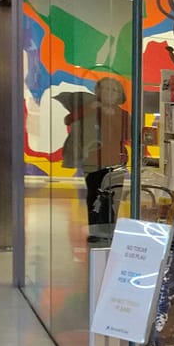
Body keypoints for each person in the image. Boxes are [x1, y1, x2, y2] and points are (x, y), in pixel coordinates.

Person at [60, 77, 130, 242]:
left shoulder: (123, 115)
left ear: (119, 94)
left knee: (113, 197)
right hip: (92, 161)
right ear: (98, 91)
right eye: (104, 88)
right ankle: (96, 231)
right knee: (94, 197)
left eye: (113, 90)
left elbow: (128, 135)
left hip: (116, 160)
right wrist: (90, 108)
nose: (108, 93)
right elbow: (69, 120)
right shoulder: (90, 109)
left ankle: (110, 230)